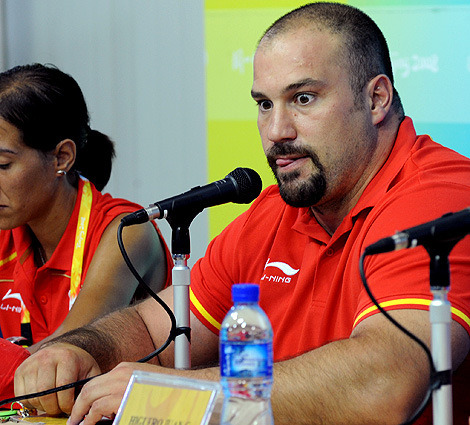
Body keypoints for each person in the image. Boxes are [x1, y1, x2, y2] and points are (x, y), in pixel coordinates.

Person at [13, 3, 470, 424]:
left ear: (376, 99)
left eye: (304, 98)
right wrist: (80, 349)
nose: (276, 131)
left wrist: (178, 394)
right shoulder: (275, 211)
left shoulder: (442, 193)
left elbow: (384, 385)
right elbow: (157, 326)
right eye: (264, 104)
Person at [0, 64, 172, 400]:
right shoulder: (8, 224)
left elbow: (66, 356)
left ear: (61, 157)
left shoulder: (127, 231)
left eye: (3, 165)